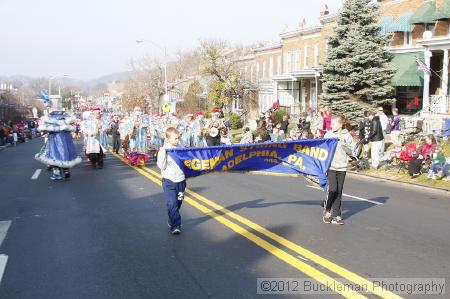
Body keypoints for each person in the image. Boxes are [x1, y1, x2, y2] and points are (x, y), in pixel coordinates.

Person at [323, 115, 355, 225]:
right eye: (331, 123)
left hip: (342, 167)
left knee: (339, 191)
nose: (331, 125)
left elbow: (351, 151)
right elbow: (322, 148)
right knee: (333, 189)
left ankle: (335, 216)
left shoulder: (347, 135)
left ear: (341, 124)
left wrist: (342, 143)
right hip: (331, 166)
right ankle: (327, 209)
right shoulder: (328, 134)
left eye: (334, 123)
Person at [157, 127, 186, 235]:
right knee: (172, 203)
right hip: (169, 181)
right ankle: (176, 225)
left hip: (181, 181)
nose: (177, 141)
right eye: (175, 139)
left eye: (178, 138)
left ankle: (172, 219)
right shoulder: (164, 150)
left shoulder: (181, 148)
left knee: (178, 202)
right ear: (168, 139)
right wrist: (164, 153)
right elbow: (161, 165)